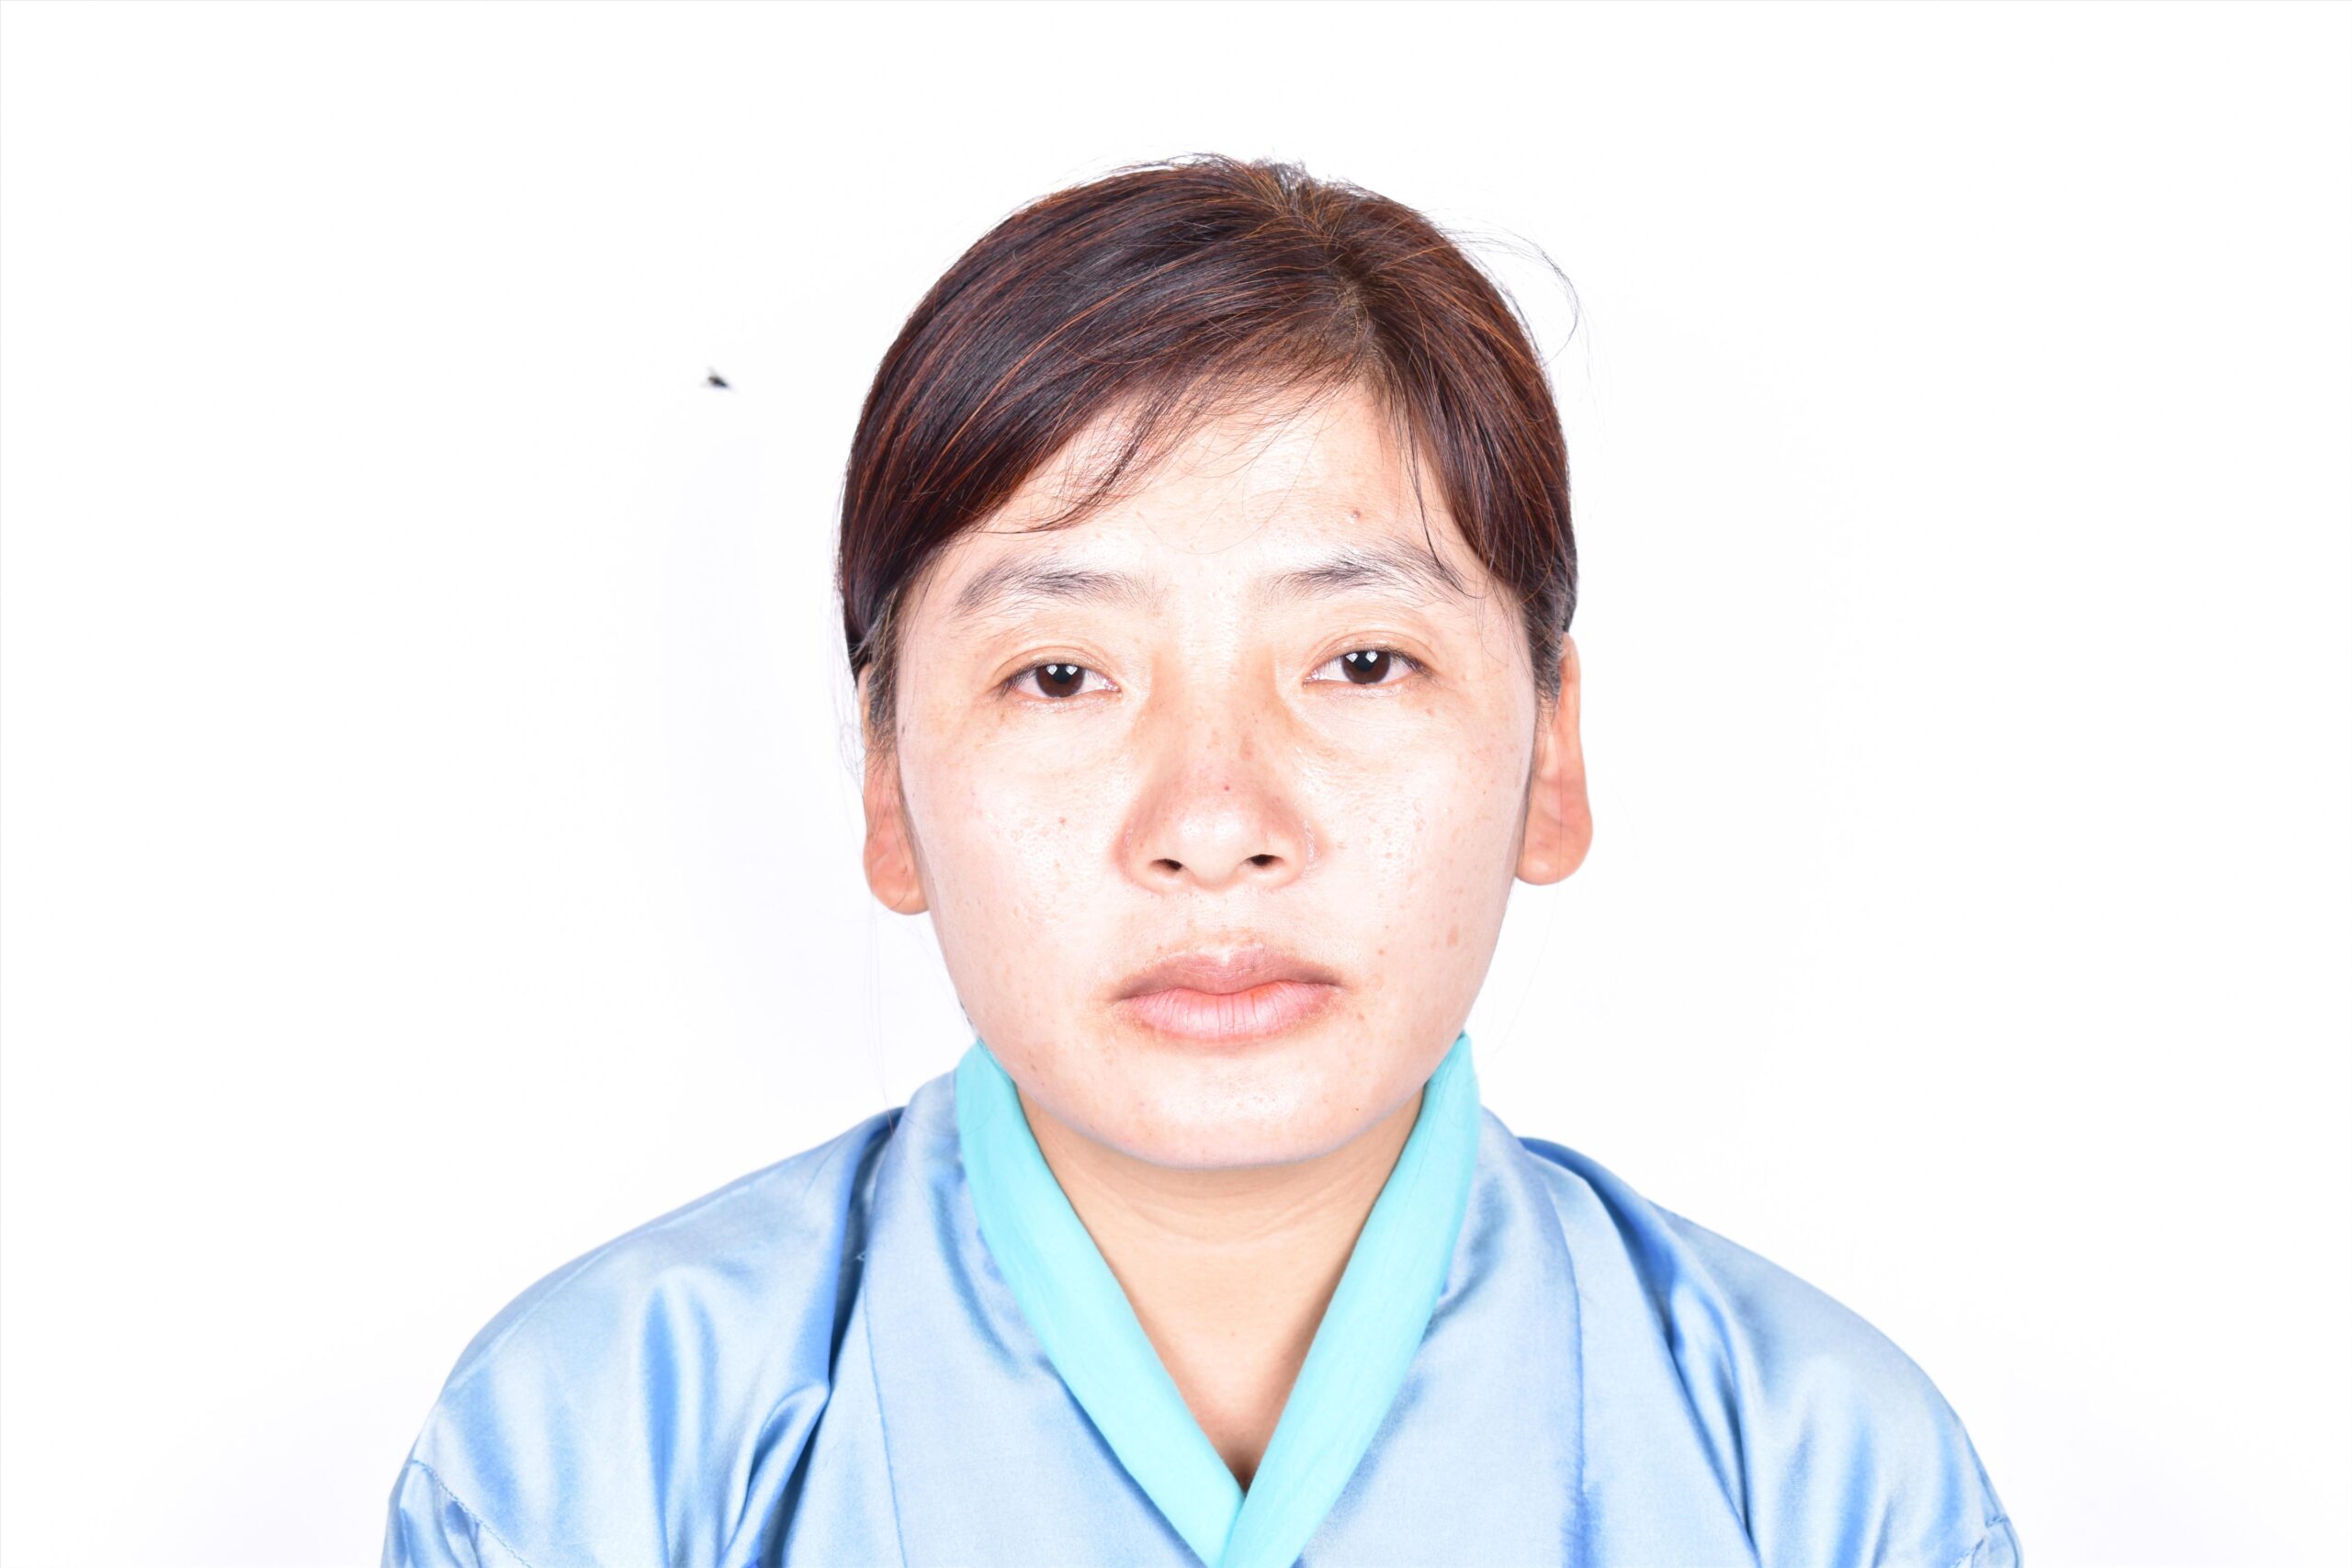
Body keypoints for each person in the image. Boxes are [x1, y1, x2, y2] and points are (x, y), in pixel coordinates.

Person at [379, 154, 2019, 1568]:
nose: (1217, 820)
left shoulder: (1814, 1473)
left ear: (1551, 755)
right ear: (887, 785)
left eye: (1361, 663)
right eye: (1061, 676)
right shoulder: (607, 1449)